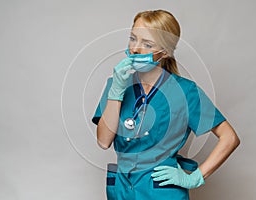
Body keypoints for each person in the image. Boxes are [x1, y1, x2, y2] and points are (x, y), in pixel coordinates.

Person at [92, 9, 240, 200]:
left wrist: (195, 178)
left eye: (147, 44)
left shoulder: (186, 92)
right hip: (122, 190)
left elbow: (229, 137)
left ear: (165, 52)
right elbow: (103, 141)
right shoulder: (116, 85)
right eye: (133, 38)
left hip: (162, 191)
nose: (136, 49)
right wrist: (116, 92)